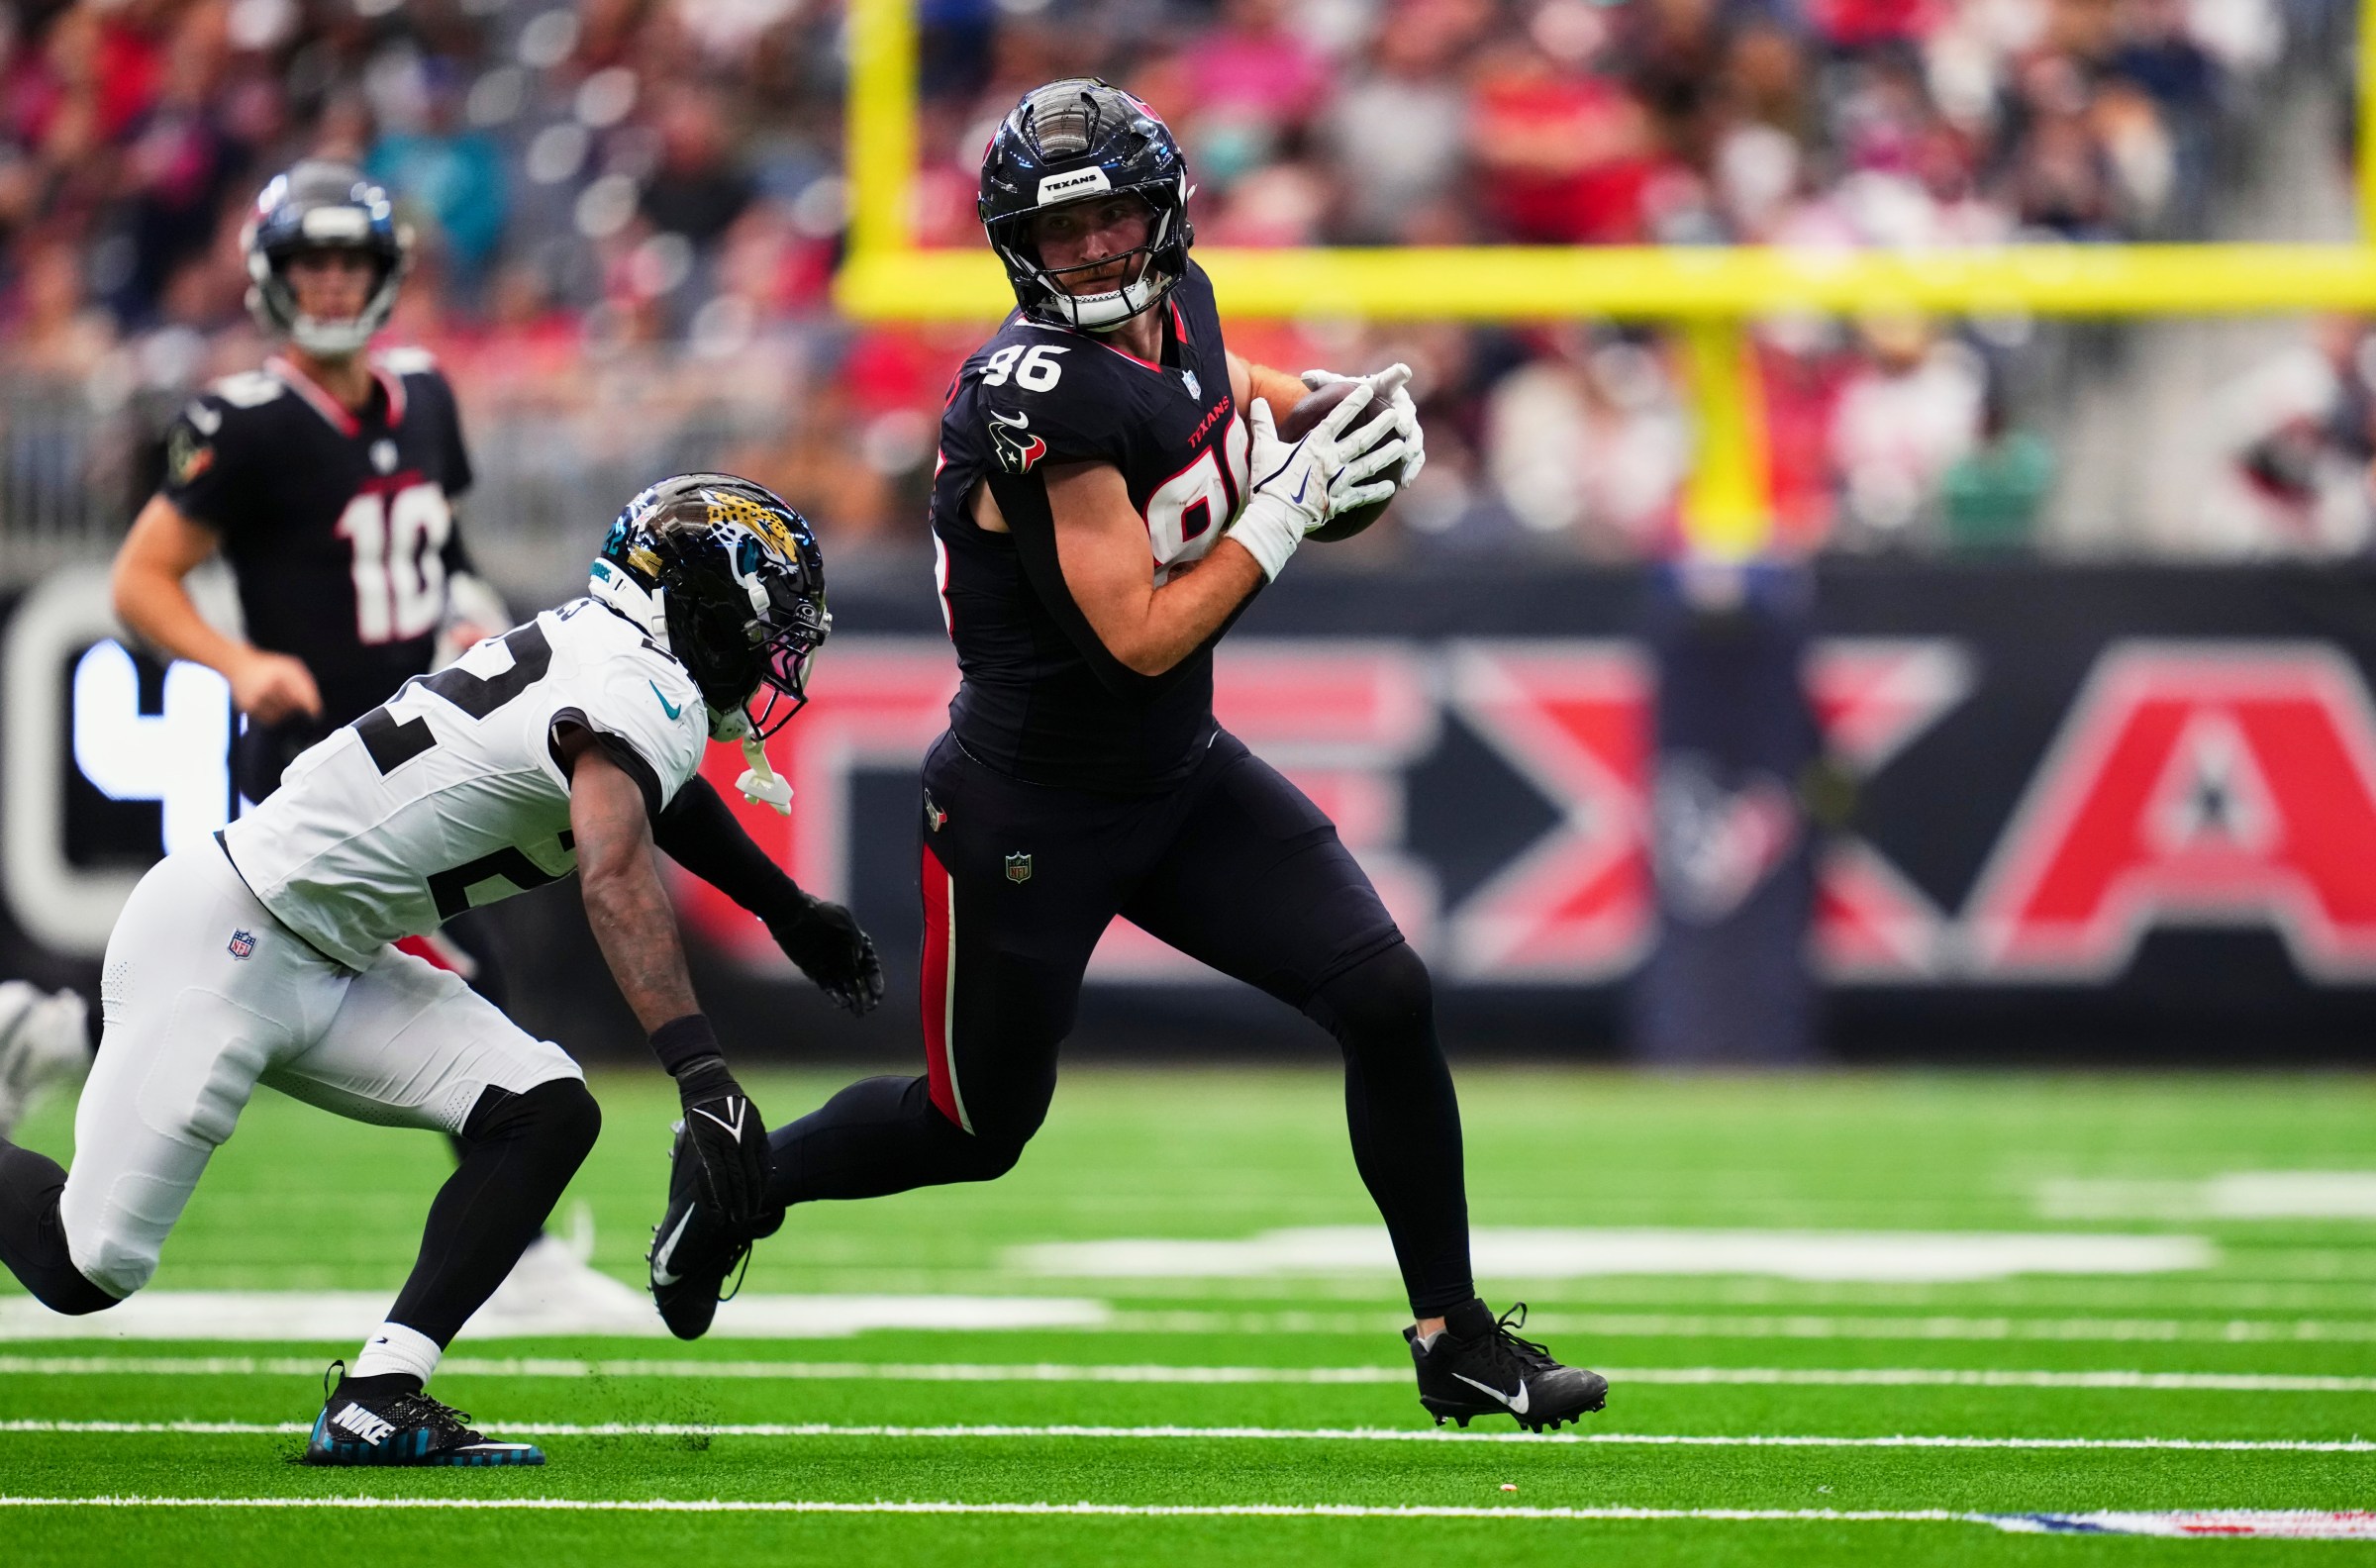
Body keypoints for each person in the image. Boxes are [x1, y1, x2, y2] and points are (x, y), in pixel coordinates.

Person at [644, 79, 1608, 1433]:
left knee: (1383, 993)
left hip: (1176, 777)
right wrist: (1284, 514)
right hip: (1028, 809)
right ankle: (732, 1184)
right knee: (973, 1131)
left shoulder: (1187, 300)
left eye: (1115, 218)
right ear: (1017, 246)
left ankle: (1454, 1338)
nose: (1095, 247)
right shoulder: (1032, 393)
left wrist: (1318, 406)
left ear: (1165, 214)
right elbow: (1136, 637)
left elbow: (1222, 391)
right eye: (1066, 228)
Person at [0, 474, 879, 1466]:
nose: (771, 651)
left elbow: (653, 795)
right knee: (88, 1267)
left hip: (332, 953)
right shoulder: (636, 682)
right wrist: (701, 1071)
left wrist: (787, 908)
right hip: (229, 936)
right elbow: (615, 870)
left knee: (546, 1107)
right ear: (700, 598)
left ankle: (377, 1394)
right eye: (766, 620)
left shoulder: (623, 663)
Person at [111, 160, 589, 1308]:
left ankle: (510, 1248)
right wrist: (237, 660)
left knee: (428, 980)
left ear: (387, 275)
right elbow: (141, 582)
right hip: (313, 768)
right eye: (311, 265)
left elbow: (437, 548)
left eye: (351, 263)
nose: (332, 286)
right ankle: (513, 1257)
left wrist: (468, 604)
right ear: (274, 280)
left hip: (419, 753)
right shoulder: (248, 422)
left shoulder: (424, 393)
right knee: (377, 989)